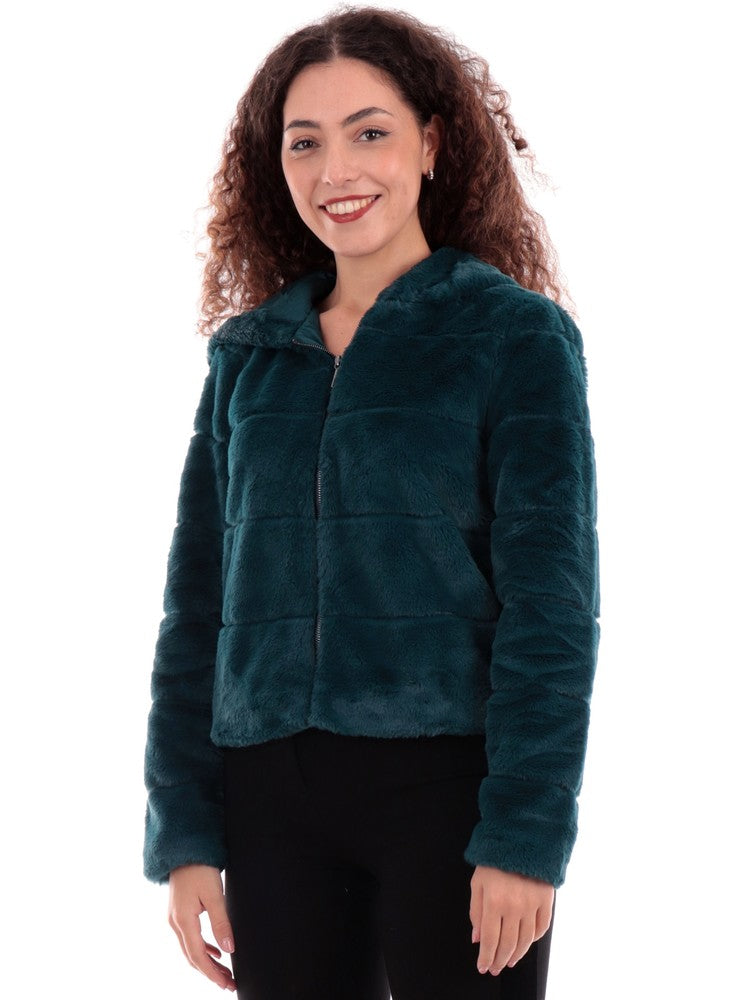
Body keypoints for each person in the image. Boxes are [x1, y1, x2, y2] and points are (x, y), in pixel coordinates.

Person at [142, 6, 600, 999]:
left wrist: (525, 833)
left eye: (370, 132)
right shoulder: (249, 356)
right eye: (304, 142)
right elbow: (197, 609)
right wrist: (185, 833)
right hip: (270, 804)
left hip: (448, 795)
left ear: (431, 144)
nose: (335, 170)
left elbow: (551, 606)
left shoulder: (515, 340)